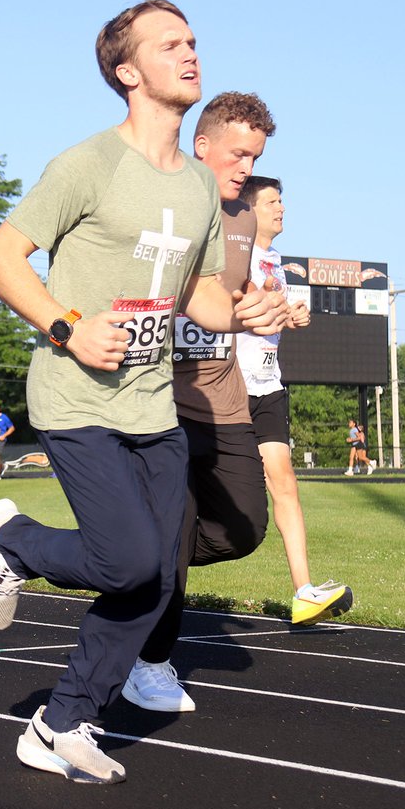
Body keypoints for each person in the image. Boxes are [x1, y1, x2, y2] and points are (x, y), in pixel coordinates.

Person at [0, 0, 284, 784]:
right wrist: (66, 326)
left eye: (193, 41)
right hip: (78, 400)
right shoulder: (89, 165)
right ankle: (13, 541)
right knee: (130, 562)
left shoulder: (206, 191)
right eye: (169, 43)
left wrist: (247, 310)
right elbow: (0, 258)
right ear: (127, 70)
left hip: (152, 408)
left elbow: (200, 297)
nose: (190, 53)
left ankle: (65, 719)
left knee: (157, 576)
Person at [122, 91, 276, 712]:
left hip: (226, 403)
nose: (247, 167)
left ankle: (135, 567)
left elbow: (239, 297)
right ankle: (149, 660)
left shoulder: (244, 219)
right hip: (160, 402)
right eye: (238, 154)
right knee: (169, 533)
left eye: (256, 156)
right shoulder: (167, 201)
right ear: (202, 146)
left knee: (245, 528)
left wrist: (272, 308)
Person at [239, 174, 354, 624]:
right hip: (228, 386)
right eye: (272, 200)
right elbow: (243, 308)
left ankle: (303, 590)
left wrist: (294, 314)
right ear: (250, 209)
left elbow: (273, 315)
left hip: (268, 385)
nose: (281, 207)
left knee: (284, 480)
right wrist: (278, 312)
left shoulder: (274, 259)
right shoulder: (236, 254)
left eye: (282, 200)